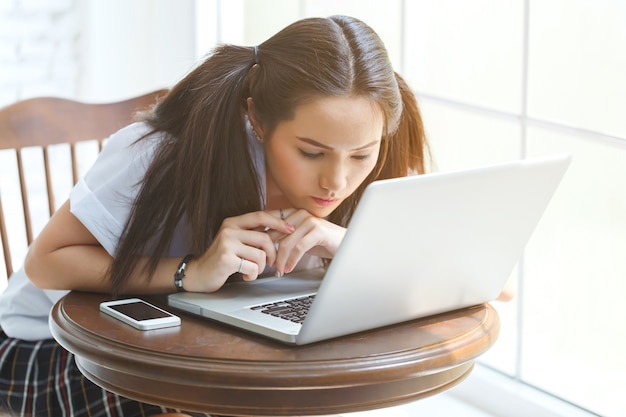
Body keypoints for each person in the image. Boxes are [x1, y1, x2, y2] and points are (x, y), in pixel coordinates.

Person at [0, 15, 429, 417]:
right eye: (310, 152)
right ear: (258, 119)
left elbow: (494, 286)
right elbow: (45, 263)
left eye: (361, 155)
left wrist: (345, 243)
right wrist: (190, 271)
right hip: (52, 348)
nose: (336, 181)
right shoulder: (160, 154)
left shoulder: (376, 148)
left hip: (205, 351)